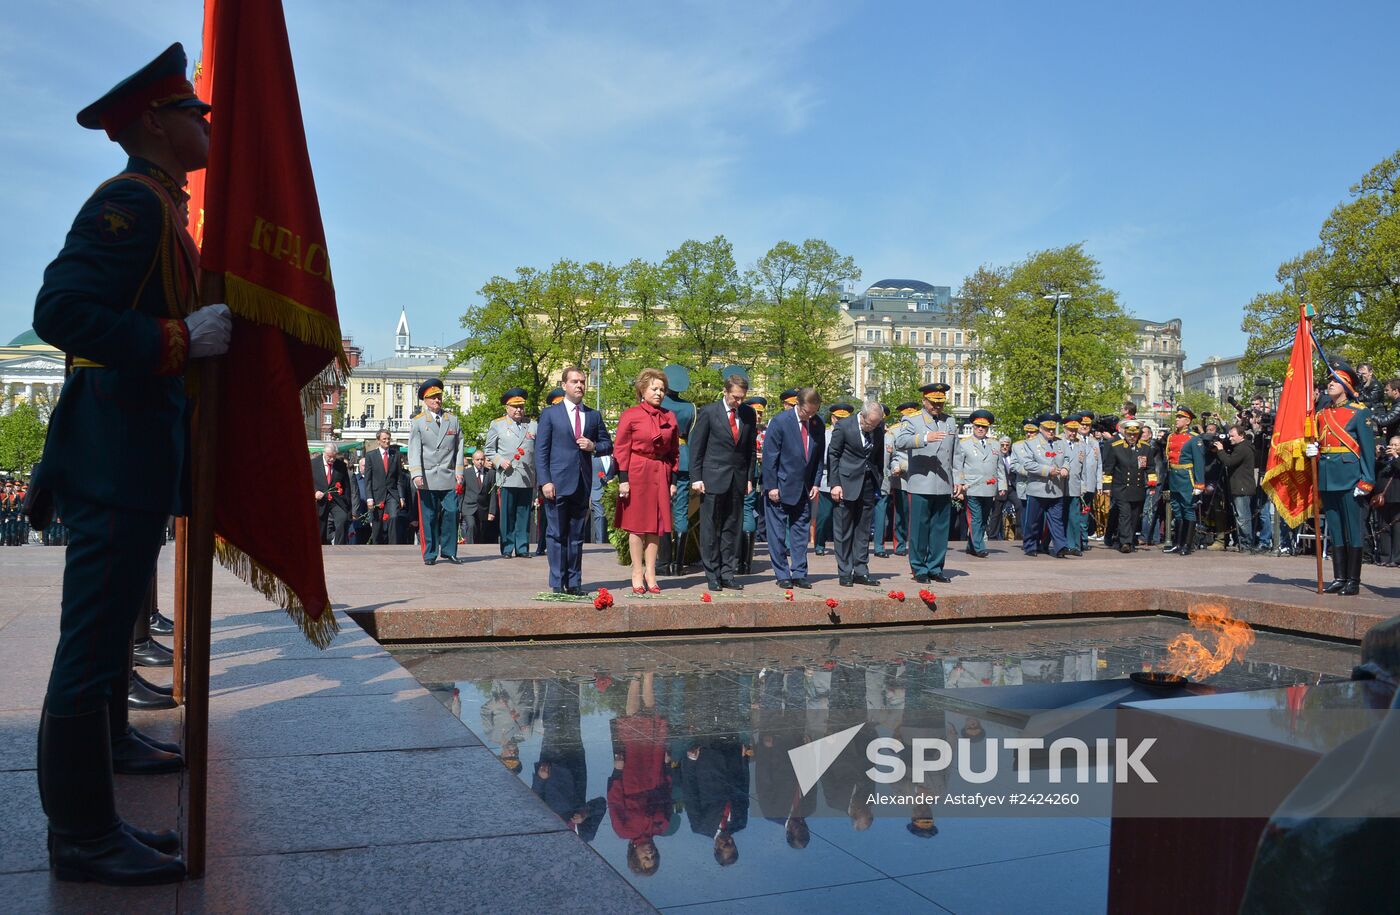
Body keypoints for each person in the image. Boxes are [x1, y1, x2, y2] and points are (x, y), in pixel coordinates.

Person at [29, 43, 233, 885]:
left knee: (110, 629)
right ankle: (79, 832)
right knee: (89, 643)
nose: (204, 120)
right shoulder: (131, 204)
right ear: (154, 120)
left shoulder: (161, 205)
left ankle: (107, 751)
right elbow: (61, 309)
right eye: (193, 109)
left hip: (133, 455)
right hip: (112, 455)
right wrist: (178, 340)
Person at [536, 366, 613, 596]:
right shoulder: (550, 414)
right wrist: (545, 481)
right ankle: (558, 583)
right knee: (556, 534)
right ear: (564, 385)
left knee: (576, 536)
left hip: (582, 483)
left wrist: (593, 447)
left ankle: (575, 582)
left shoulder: (593, 415)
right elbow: (541, 451)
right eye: (574, 382)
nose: (579, 385)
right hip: (556, 484)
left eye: (582, 382)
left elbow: (607, 444)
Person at [1306, 360, 1375, 595]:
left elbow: (1366, 449)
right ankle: (1339, 577)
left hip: (1350, 477)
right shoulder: (1321, 414)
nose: (1330, 384)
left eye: (1335, 380)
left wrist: (1367, 480)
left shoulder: (1360, 412)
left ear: (1347, 384)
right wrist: (1312, 451)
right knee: (1334, 528)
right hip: (1327, 476)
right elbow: (1319, 442)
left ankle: (1353, 580)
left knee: (1353, 530)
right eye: (1330, 380)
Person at [613, 368, 679, 594]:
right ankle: (637, 571)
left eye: (662, 389)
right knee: (637, 525)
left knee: (656, 526)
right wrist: (623, 479)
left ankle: (651, 572)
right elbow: (621, 448)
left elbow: (674, 452)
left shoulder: (670, 417)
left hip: (660, 471)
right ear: (642, 389)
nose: (659, 393)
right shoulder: (630, 415)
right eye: (654, 388)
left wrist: (672, 480)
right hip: (637, 470)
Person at [690, 373, 758, 591]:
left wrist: (749, 478)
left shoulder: (748, 414)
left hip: (737, 480)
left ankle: (728, 573)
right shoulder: (709, 412)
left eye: (742, 398)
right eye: (735, 397)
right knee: (710, 528)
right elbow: (697, 448)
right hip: (712, 479)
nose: (739, 402)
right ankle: (712, 574)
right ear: (725, 392)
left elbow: (749, 450)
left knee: (732, 528)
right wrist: (696, 478)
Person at [893, 383, 958, 584]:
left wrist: (959, 479)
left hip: (944, 482)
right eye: (933, 403)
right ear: (924, 400)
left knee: (940, 528)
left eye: (940, 403)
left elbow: (956, 452)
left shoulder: (950, 421)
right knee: (920, 528)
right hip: (921, 481)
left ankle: (936, 567)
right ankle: (919, 567)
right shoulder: (912, 419)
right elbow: (900, 441)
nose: (937, 407)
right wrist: (924, 438)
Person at [761, 386, 825, 589]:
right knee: (778, 535)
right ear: (798, 404)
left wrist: (816, 482)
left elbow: (818, 456)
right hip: (780, 487)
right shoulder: (780, 422)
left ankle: (799, 573)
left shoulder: (817, 423)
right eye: (807, 411)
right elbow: (770, 456)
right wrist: (771, 486)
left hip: (804, 488)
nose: (810, 416)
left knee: (800, 533)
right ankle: (782, 574)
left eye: (814, 411)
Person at [827, 402, 886, 586]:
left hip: (868, 483)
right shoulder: (844, 426)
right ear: (862, 415)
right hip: (845, 484)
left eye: (876, 425)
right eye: (870, 424)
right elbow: (833, 455)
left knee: (863, 530)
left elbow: (878, 455)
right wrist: (834, 484)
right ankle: (845, 571)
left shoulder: (877, 428)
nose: (872, 428)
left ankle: (861, 570)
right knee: (844, 530)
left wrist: (879, 478)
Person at [407, 378, 464, 565]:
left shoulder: (453, 421)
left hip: (448, 475)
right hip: (428, 475)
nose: (437, 400)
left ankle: (449, 550)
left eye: (439, 396)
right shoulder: (418, 422)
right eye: (433, 397)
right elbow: (414, 449)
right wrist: (416, 473)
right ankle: (430, 553)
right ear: (425, 400)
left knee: (452, 512)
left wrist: (459, 470)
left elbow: (459, 447)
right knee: (429, 516)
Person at [485, 388, 537, 558]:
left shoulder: (532, 425)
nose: (518, 410)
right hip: (507, 477)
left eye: (521, 406)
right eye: (514, 407)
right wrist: (500, 461)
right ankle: (507, 547)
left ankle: (522, 547)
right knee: (507, 515)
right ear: (507, 407)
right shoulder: (497, 424)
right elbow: (489, 451)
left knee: (524, 514)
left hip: (527, 477)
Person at [953, 409, 1005, 559]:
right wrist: (960, 484)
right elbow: (958, 466)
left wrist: (1002, 486)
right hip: (972, 487)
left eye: (984, 427)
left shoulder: (995, 444)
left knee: (983, 518)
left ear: (988, 428)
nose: (980, 429)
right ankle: (979, 546)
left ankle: (971, 545)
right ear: (973, 426)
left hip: (989, 487)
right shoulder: (964, 444)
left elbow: (1000, 467)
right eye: (977, 426)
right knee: (975, 518)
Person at [1018, 413, 1072, 558]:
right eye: (1048, 429)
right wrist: (1048, 471)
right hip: (1038, 488)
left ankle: (1061, 547)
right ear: (1041, 428)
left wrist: (1066, 468)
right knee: (1033, 521)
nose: (1051, 432)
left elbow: (1066, 458)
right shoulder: (1030, 443)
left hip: (1057, 489)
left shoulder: (1061, 443)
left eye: (1053, 429)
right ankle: (1030, 546)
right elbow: (1028, 464)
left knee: (1056, 520)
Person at [661, 365, 697, 575]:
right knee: (681, 512)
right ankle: (678, 564)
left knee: (662, 512)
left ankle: (663, 562)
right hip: (683, 460)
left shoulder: (656, 402)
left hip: (661, 460)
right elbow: (692, 440)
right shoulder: (690, 408)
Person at [1162, 407, 1206, 556]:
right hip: (1174, 476)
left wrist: (1200, 484)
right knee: (1176, 509)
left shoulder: (1194, 438)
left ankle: (1187, 544)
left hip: (1187, 477)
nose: (1177, 420)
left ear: (1187, 421)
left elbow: (1199, 462)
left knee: (1188, 509)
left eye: (1180, 418)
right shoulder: (1171, 437)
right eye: (1177, 417)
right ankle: (1178, 543)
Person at [1104, 419, 1151, 553]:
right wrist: (1107, 487)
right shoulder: (1116, 447)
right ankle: (1126, 542)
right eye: (1129, 434)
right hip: (1121, 487)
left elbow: (1150, 468)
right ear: (1124, 433)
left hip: (1137, 487)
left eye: (1135, 434)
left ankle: (1127, 539)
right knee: (1125, 515)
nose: (1132, 437)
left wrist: (1152, 484)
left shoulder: (1145, 448)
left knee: (1135, 516)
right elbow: (1108, 468)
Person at [814, 403, 853, 555]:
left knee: (843, 517)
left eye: (844, 418)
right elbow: (822, 457)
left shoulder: (852, 433)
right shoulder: (825, 435)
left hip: (846, 479)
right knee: (824, 515)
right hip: (827, 479)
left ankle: (841, 545)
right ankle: (819, 543)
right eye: (838, 418)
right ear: (832, 418)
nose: (841, 421)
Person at [1214, 424, 1257, 552]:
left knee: (1243, 517)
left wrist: (1220, 450)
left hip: (1242, 487)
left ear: (1241, 435)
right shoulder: (1240, 447)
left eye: (1233, 436)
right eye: (1230, 435)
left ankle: (1246, 544)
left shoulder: (1243, 448)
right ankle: (1242, 543)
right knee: (1240, 517)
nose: (1230, 438)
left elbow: (1229, 462)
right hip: (1239, 486)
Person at [738, 395, 767, 573]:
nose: (758, 417)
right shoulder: (752, 430)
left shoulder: (761, 432)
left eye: (760, 414)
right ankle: (745, 561)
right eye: (756, 413)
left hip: (752, 475)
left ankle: (744, 561)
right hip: (750, 474)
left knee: (747, 510)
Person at [365, 429, 403, 545]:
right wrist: (369, 498)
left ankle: (393, 547)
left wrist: (401, 497)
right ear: (378, 441)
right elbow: (368, 479)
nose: (387, 441)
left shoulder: (395, 455)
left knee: (394, 517)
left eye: (388, 439)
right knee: (377, 524)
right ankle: (377, 547)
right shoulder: (370, 456)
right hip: (377, 494)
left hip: (392, 494)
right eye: (384, 439)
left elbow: (399, 478)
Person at [311, 445, 352, 545]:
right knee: (321, 526)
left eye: (334, 456)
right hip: (320, 500)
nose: (332, 459)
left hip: (336, 500)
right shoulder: (313, 463)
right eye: (329, 456)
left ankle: (339, 546)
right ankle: (321, 547)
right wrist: (315, 492)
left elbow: (346, 486)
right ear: (324, 453)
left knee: (342, 519)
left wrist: (348, 505)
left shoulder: (341, 465)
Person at [1373, 435, 1400, 567]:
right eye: (1391, 444)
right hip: (1382, 498)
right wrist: (1377, 456)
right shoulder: (1384, 459)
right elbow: (1373, 470)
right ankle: (1384, 556)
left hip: (1397, 498)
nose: (1392, 447)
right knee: (1383, 528)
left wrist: (1395, 456)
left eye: (1396, 445)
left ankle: (1396, 558)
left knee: (1397, 528)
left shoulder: (1397, 459)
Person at [461, 449, 497, 544]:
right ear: (472, 460)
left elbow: (493, 494)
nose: (480, 462)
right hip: (468, 507)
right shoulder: (466, 473)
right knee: (471, 526)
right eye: (477, 459)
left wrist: (492, 512)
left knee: (480, 532)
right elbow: (461, 492)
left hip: (483, 509)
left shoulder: (490, 473)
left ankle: (477, 550)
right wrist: (459, 509)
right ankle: (470, 547)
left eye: (482, 459)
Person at [590, 451, 617, 544]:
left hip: (611, 493)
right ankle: (600, 542)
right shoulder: (592, 457)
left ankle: (611, 542)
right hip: (596, 491)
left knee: (611, 518)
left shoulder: (613, 458)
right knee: (600, 516)